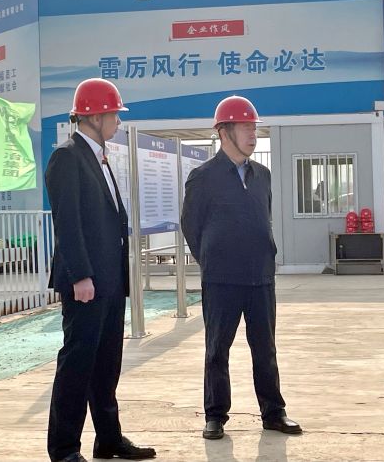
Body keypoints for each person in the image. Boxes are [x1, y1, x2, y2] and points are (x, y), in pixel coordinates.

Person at [45, 78, 155, 462]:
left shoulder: (100, 156)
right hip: (86, 283)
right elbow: (68, 223)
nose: (118, 122)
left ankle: (108, 439)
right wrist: (80, 276)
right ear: (94, 116)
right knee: (77, 364)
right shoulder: (67, 157)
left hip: (108, 281)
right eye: (114, 114)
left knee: (107, 364)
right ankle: (64, 448)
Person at [181, 95, 301, 440]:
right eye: (246, 127)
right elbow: (191, 226)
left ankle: (274, 413)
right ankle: (215, 415)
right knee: (217, 349)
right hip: (221, 279)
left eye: (254, 127)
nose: (253, 134)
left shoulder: (262, 175)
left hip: (260, 277)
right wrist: (212, 259)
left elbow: (264, 218)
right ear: (224, 131)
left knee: (265, 349)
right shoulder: (203, 177)